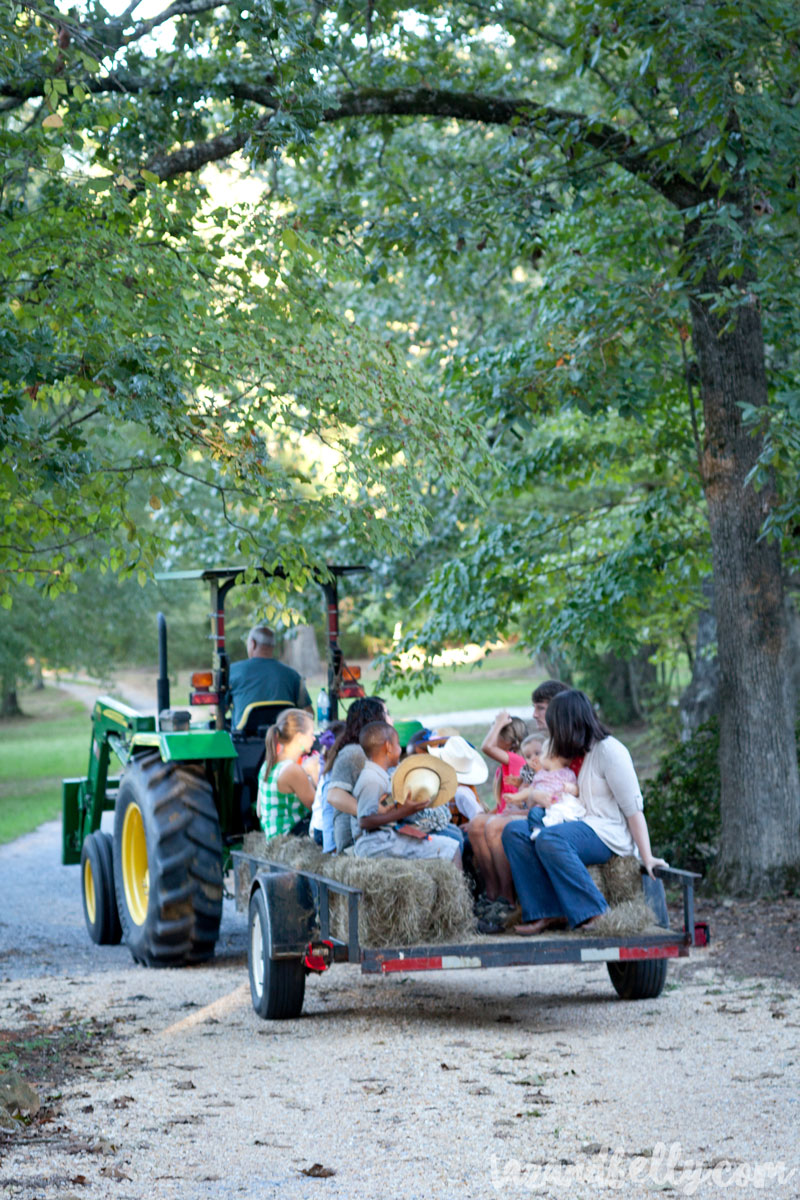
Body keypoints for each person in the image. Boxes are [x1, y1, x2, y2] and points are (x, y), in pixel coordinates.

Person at [502, 689, 667, 935]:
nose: (551, 731)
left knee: (551, 838)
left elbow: (634, 810)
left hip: (605, 831)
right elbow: (539, 777)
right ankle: (545, 911)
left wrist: (648, 856)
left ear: (569, 724)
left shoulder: (610, 752)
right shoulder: (564, 750)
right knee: (514, 831)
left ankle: (596, 911)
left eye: (555, 725)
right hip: (570, 821)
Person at [352, 722, 461, 864]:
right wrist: (403, 811)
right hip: (376, 844)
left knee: (451, 838)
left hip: (385, 838)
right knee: (452, 848)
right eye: (398, 744)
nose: (400, 749)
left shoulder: (380, 776)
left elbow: (383, 805)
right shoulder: (372, 779)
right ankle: (459, 887)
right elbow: (364, 821)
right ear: (388, 747)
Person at [466, 712, 528, 917]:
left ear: (508, 741)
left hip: (520, 815)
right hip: (505, 814)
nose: (491, 735)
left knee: (490, 826)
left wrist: (500, 721)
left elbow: (486, 747)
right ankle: (491, 892)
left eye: (495, 732)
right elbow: (502, 805)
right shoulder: (505, 767)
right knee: (475, 825)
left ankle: (507, 896)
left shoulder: (517, 760)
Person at [324, 696, 391, 852]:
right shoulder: (354, 753)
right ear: (376, 720)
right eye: (387, 713)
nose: (390, 718)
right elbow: (333, 796)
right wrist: (375, 813)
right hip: (354, 845)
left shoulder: (363, 752)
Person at [227, 625, 313, 729]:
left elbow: (216, 710)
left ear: (253, 643)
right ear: (273, 646)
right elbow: (309, 714)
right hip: (282, 740)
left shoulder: (232, 672)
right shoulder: (293, 675)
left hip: (243, 741)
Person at [255, 708, 318, 838]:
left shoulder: (268, 765)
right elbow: (319, 809)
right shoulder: (293, 770)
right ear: (300, 737)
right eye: (311, 734)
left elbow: (259, 812)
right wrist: (314, 775)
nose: (314, 739)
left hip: (274, 840)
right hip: (291, 841)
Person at [504, 739, 584, 839]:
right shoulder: (540, 775)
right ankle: (537, 830)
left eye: (541, 754)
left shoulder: (567, 773)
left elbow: (576, 789)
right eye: (528, 757)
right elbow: (529, 790)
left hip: (560, 807)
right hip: (542, 807)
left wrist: (571, 788)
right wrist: (515, 797)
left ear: (553, 757)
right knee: (534, 813)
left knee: (566, 814)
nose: (537, 758)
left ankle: (557, 830)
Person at [308, 720, 345, 850]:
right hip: (322, 832)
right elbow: (327, 812)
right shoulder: (332, 776)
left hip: (321, 828)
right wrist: (330, 848)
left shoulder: (328, 763)